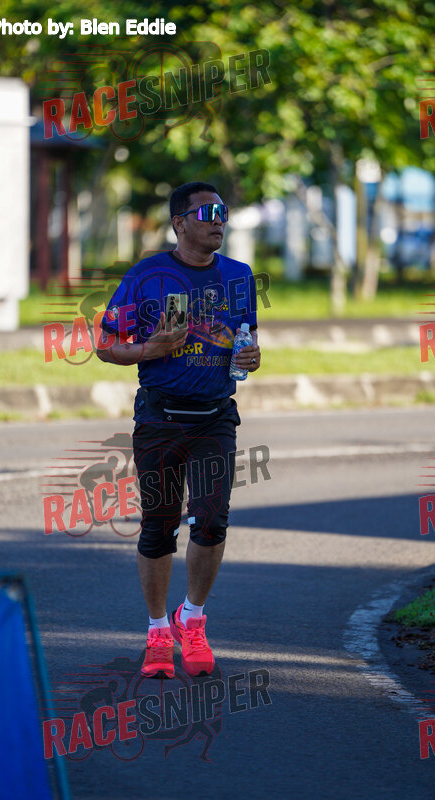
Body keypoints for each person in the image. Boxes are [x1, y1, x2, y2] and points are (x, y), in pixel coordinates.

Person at [96, 182, 261, 679]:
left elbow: (247, 341)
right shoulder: (147, 276)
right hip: (160, 418)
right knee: (159, 526)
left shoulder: (239, 276)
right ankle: (156, 630)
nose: (219, 220)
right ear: (180, 223)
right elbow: (105, 342)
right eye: (207, 213)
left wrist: (251, 358)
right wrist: (148, 350)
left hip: (216, 416)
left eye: (223, 212)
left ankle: (192, 619)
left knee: (211, 521)